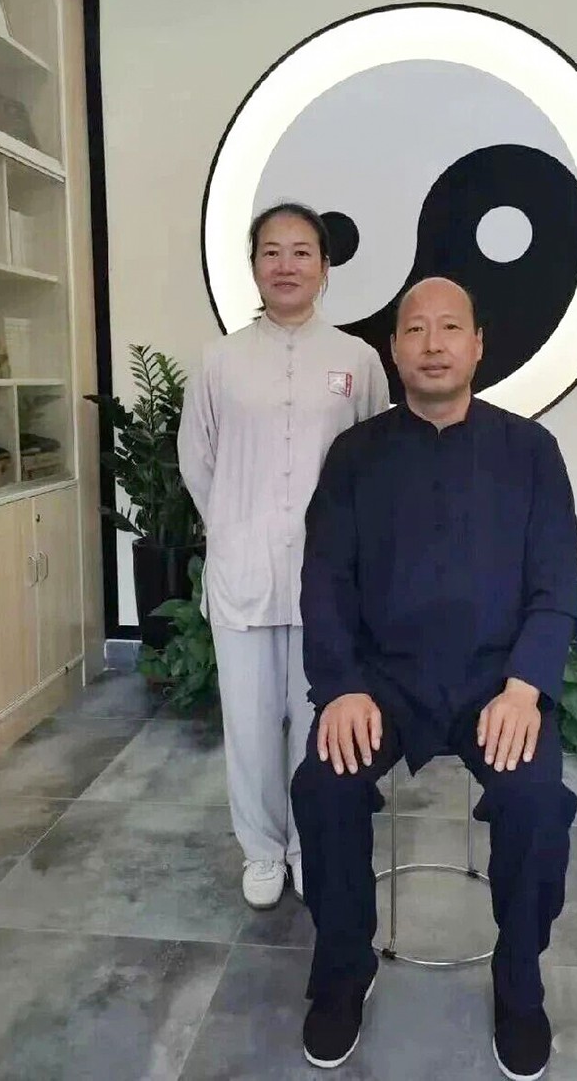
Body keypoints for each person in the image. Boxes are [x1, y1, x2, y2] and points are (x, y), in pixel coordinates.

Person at [291, 277, 577, 1079]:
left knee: (535, 801)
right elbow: (325, 582)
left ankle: (519, 982)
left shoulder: (531, 452)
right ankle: (344, 968)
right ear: (394, 350)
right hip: (384, 681)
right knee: (323, 785)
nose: (432, 344)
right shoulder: (356, 455)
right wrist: (340, 687)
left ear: (478, 344)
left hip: (496, 682)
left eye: (450, 327)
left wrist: (525, 687)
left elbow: (556, 586)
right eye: (415, 329)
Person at [178, 202, 389, 911]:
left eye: (302, 252)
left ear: (325, 268)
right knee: (248, 724)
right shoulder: (220, 360)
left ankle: (309, 845)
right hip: (244, 570)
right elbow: (198, 459)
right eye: (272, 251)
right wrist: (234, 526)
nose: (286, 265)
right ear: (254, 265)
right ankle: (263, 851)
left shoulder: (357, 361)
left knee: (317, 720)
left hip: (329, 579)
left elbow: (375, 465)